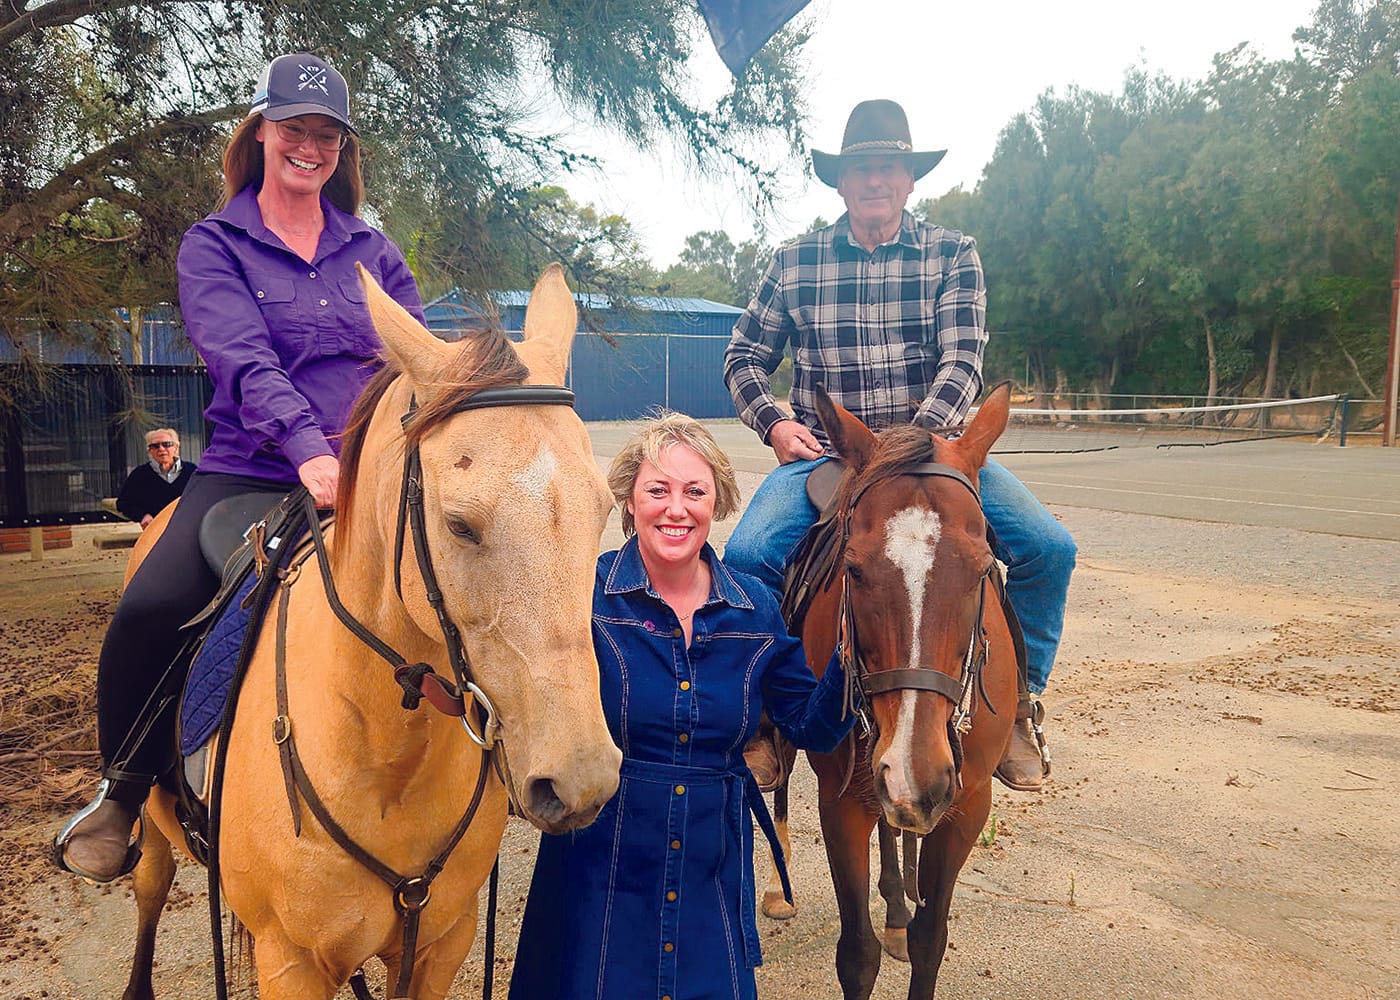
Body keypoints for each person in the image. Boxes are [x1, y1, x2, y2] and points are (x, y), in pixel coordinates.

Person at [54, 52, 426, 883]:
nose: (310, 145)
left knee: (458, 573)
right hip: (252, 469)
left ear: (343, 148)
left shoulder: (374, 249)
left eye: (327, 134)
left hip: (364, 472)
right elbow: (243, 360)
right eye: (295, 128)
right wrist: (309, 452)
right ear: (260, 131)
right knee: (152, 605)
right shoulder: (214, 244)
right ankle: (121, 793)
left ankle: (503, 744)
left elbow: (415, 353)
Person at [723, 99, 1076, 792]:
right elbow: (743, 358)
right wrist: (774, 423)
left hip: (937, 456)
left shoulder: (953, 254)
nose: (875, 180)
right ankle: (765, 713)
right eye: (861, 169)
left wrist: (922, 443)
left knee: (1048, 548)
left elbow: (963, 362)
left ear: (910, 178)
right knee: (747, 555)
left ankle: (1019, 703)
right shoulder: (795, 262)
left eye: (888, 167)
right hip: (833, 457)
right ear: (841, 182)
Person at [508, 413, 856, 1000]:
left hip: (709, 870)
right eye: (658, 490)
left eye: (695, 491)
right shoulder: (582, 599)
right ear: (629, 500)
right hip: (597, 864)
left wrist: (855, 659)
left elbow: (813, 729)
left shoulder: (755, 611)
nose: (676, 508)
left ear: (716, 501)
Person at [115, 429, 197, 528]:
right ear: (150, 451)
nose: (161, 449)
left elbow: (204, 499)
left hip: (189, 528)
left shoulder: (193, 472)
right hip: (156, 531)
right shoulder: (139, 475)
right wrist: (143, 516)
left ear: (176, 447)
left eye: (166, 444)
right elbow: (123, 503)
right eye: (155, 446)